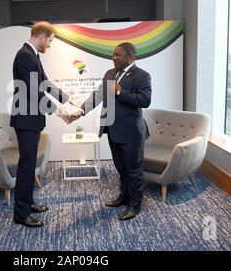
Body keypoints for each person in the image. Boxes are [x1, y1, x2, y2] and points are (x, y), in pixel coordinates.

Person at [68, 42, 152, 220]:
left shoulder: (142, 75)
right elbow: (98, 95)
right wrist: (81, 112)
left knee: (134, 170)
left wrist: (121, 92)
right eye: (113, 54)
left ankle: (135, 205)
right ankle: (124, 196)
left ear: (130, 56)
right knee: (121, 167)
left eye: (118, 55)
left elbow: (145, 100)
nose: (113, 58)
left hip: (131, 132)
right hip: (112, 129)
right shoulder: (110, 74)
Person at [10, 21, 74, 228]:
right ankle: (21, 213)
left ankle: (28, 204)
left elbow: (45, 83)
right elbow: (34, 91)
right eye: (50, 41)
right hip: (26, 120)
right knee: (26, 166)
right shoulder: (23, 56)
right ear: (42, 36)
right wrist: (58, 111)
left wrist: (67, 100)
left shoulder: (33, 55)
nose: (50, 45)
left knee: (30, 165)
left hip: (32, 120)